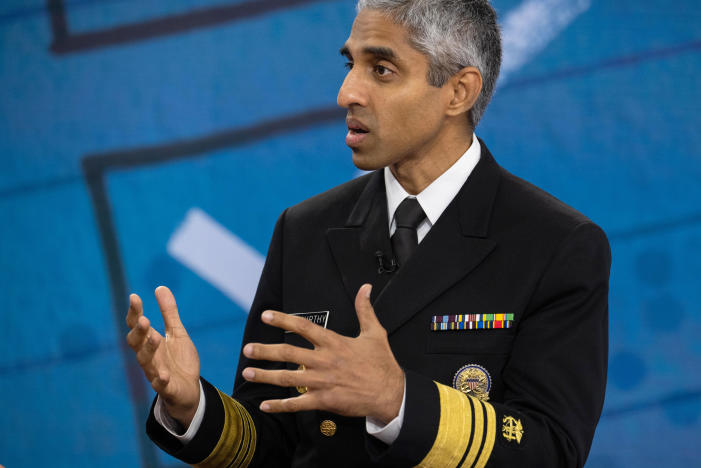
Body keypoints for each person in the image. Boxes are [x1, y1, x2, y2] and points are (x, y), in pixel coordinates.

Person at [125, 0, 611, 466]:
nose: (347, 94)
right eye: (350, 65)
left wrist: (395, 400)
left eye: (381, 69)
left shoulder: (557, 245)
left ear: (459, 92)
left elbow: (552, 449)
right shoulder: (304, 229)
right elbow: (273, 440)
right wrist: (192, 409)